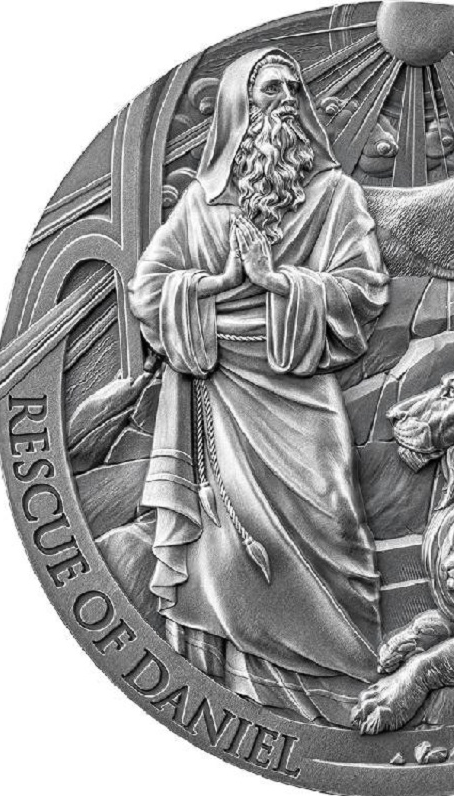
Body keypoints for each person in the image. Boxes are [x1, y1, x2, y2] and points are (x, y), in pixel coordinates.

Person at [128, 48, 389, 726]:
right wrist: (215, 283)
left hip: (299, 387)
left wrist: (277, 281)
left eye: (293, 87)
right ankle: (259, 696)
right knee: (230, 545)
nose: (285, 99)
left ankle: (354, 681)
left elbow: (364, 288)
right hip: (222, 388)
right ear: (238, 107)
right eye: (269, 88)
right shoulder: (200, 204)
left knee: (333, 514)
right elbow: (148, 288)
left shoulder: (334, 195)